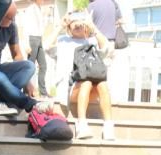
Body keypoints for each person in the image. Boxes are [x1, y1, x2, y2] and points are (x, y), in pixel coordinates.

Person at [44, 11, 115, 140]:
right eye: (73, 22)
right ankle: (81, 124)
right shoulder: (63, 41)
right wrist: (60, 26)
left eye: (81, 22)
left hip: (92, 89)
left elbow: (106, 49)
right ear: (68, 26)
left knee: (103, 84)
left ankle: (108, 126)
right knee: (86, 82)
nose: (77, 25)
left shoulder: (92, 41)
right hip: (71, 88)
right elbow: (47, 47)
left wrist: (93, 27)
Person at [19, 0, 55, 98]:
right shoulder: (30, 9)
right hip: (32, 38)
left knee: (43, 65)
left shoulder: (39, 9)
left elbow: (41, 26)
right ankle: (26, 91)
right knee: (30, 66)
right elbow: (25, 26)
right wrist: (26, 43)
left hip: (39, 38)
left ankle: (43, 92)